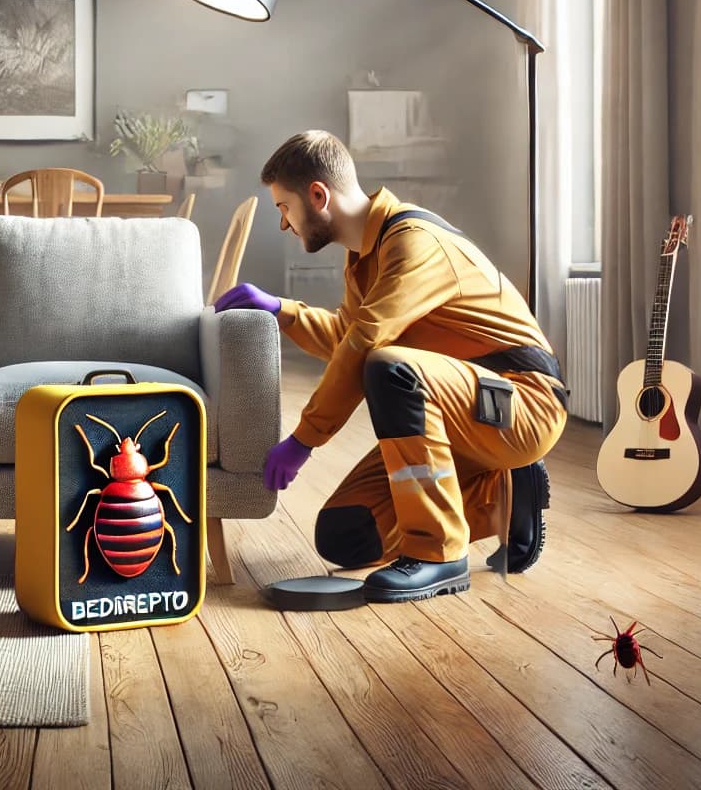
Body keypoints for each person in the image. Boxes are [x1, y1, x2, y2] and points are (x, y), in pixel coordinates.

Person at [217, 130, 567, 603]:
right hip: (462, 411)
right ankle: (501, 494)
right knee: (347, 535)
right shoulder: (364, 255)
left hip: (520, 402)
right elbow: (347, 334)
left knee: (389, 368)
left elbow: (364, 345)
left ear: (317, 195)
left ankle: (439, 555)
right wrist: (282, 310)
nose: (283, 223)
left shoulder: (413, 242)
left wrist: (303, 440)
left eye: (284, 207)